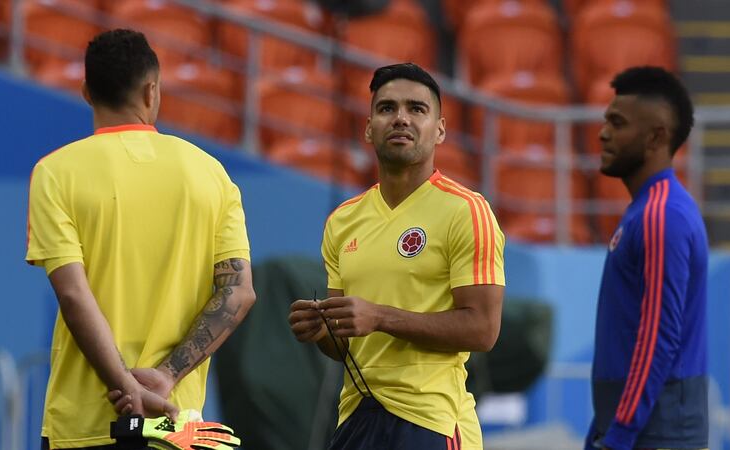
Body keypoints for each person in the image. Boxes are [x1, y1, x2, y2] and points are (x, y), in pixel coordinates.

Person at [26, 29, 255, 450]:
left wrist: (125, 386)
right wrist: (166, 376)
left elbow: (74, 295)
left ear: (86, 92)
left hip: (85, 425)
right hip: (176, 424)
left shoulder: (55, 172)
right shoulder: (211, 173)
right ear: (152, 90)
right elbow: (238, 292)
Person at [288, 63, 505, 450]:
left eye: (417, 109)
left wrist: (380, 317)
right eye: (387, 108)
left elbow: (483, 330)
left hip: (431, 420)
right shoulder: (342, 221)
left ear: (440, 130)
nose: (401, 118)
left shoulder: (466, 210)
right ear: (368, 128)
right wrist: (322, 331)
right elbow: (344, 345)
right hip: (357, 418)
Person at [586, 66, 709, 450]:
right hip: (637, 426)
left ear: (656, 136)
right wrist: (601, 428)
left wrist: (619, 435)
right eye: (606, 120)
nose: (603, 133)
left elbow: (659, 336)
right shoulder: (647, 210)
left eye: (617, 123)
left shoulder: (662, 216)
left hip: (655, 432)